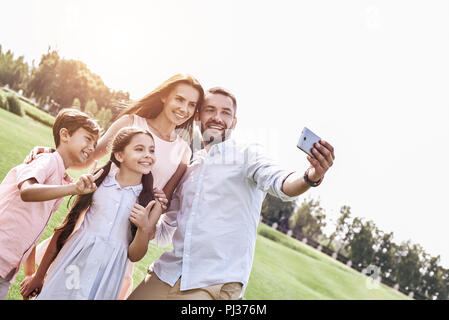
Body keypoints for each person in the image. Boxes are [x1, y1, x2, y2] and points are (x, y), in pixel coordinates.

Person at [127, 87, 336, 300]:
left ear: (234, 122)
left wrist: (310, 176)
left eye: (225, 112)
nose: (217, 118)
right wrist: (144, 222)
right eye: (210, 110)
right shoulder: (189, 168)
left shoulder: (247, 155)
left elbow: (281, 182)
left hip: (214, 285)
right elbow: (165, 231)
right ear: (198, 117)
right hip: (169, 273)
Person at [26, 74, 204, 299]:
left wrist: (144, 228)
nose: (184, 108)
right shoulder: (131, 122)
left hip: (126, 233)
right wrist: (51, 157)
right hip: (98, 213)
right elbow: (89, 158)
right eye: (179, 99)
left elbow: (162, 201)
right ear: (164, 97)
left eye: (191, 104)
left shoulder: (184, 151)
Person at [20, 127, 163, 300]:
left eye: (152, 150)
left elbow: (135, 255)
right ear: (119, 156)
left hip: (106, 276)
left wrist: (144, 228)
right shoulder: (97, 182)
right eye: (139, 149)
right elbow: (64, 229)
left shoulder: (151, 203)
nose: (148, 154)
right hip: (73, 263)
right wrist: (39, 276)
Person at [0, 109, 101, 300]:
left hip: (6, 270)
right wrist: (73, 189)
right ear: (65, 135)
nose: (91, 147)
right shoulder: (47, 160)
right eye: (87, 138)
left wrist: (31, 274)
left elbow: (33, 231)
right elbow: (27, 191)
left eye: (94, 143)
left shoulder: (61, 179)